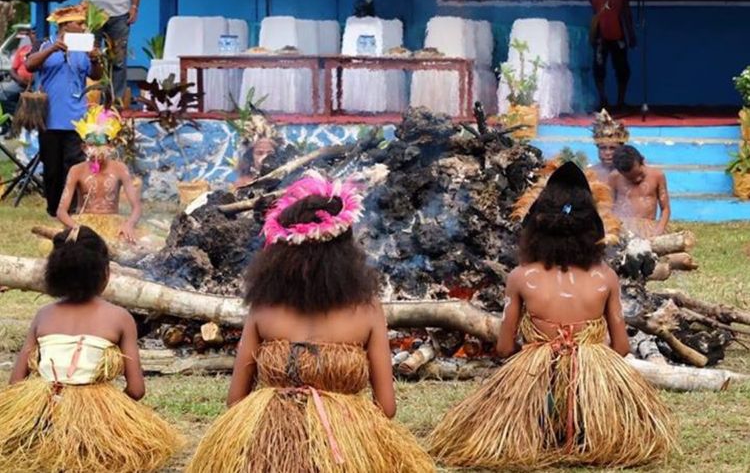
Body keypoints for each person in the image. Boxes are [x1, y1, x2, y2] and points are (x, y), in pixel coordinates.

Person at [428, 162, 675, 470]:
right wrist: (592, 364)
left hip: (534, 388)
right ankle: (588, 428)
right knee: (599, 426)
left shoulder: (520, 277)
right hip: (593, 398)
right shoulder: (606, 277)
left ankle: (541, 426)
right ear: (592, 232)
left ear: (535, 231)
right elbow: (622, 348)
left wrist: (534, 357)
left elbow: (504, 349)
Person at [186, 172, 435, 472]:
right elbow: (387, 408)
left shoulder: (264, 309)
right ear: (345, 249)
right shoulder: (367, 310)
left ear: (282, 250)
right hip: (343, 452)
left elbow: (235, 401)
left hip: (269, 455)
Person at [0, 226, 182, 472]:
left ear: (55, 273)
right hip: (93, 431)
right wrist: (110, 415)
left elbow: (16, 384)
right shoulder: (120, 317)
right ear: (105, 273)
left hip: (43, 420)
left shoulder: (43, 315)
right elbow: (137, 390)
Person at [25, 4, 104, 217]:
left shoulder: (84, 49)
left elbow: (96, 76)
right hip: (49, 118)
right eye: (78, 22)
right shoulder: (44, 44)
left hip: (76, 119)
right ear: (65, 25)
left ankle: (72, 208)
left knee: (74, 166)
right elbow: (30, 66)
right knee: (51, 168)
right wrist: (53, 49)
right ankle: (53, 209)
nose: (82, 26)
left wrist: (95, 58)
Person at [57, 105, 144, 244]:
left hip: (113, 224)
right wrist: (77, 227)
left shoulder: (120, 169)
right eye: (91, 145)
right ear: (84, 148)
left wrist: (129, 224)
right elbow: (61, 211)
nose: (96, 150)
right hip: (83, 223)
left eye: (100, 144)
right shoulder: (76, 170)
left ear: (110, 147)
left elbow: (137, 207)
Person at [83, 0, 141, 99]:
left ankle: (115, 102)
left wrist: (134, 7)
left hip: (119, 14)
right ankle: (90, 100)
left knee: (118, 61)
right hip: (92, 12)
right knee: (90, 56)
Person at [591, 0, 637, 111]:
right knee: (601, 67)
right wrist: (631, 34)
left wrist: (630, 33)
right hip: (604, 32)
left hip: (614, 32)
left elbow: (625, 10)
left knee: (621, 69)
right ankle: (607, 100)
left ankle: (615, 102)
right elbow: (625, 11)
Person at [609, 144, 671, 237]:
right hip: (623, 228)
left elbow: (665, 208)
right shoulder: (614, 177)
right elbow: (609, 207)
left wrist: (660, 228)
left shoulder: (657, 175)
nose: (637, 179)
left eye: (640, 174)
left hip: (649, 228)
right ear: (620, 172)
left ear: (642, 161)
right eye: (630, 178)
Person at [0, 29, 36, 115]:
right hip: (19, 83)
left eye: (36, 33)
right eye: (32, 33)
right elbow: (13, 70)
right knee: (3, 95)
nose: (34, 35)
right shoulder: (23, 49)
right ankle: (17, 117)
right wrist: (19, 80)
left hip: (35, 85)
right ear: (29, 35)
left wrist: (30, 83)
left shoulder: (44, 49)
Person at [590, 108, 630, 182]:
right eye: (603, 148)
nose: (607, 153)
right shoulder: (589, 174)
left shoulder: (631, 173)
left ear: (621, 149)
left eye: (612, 148)